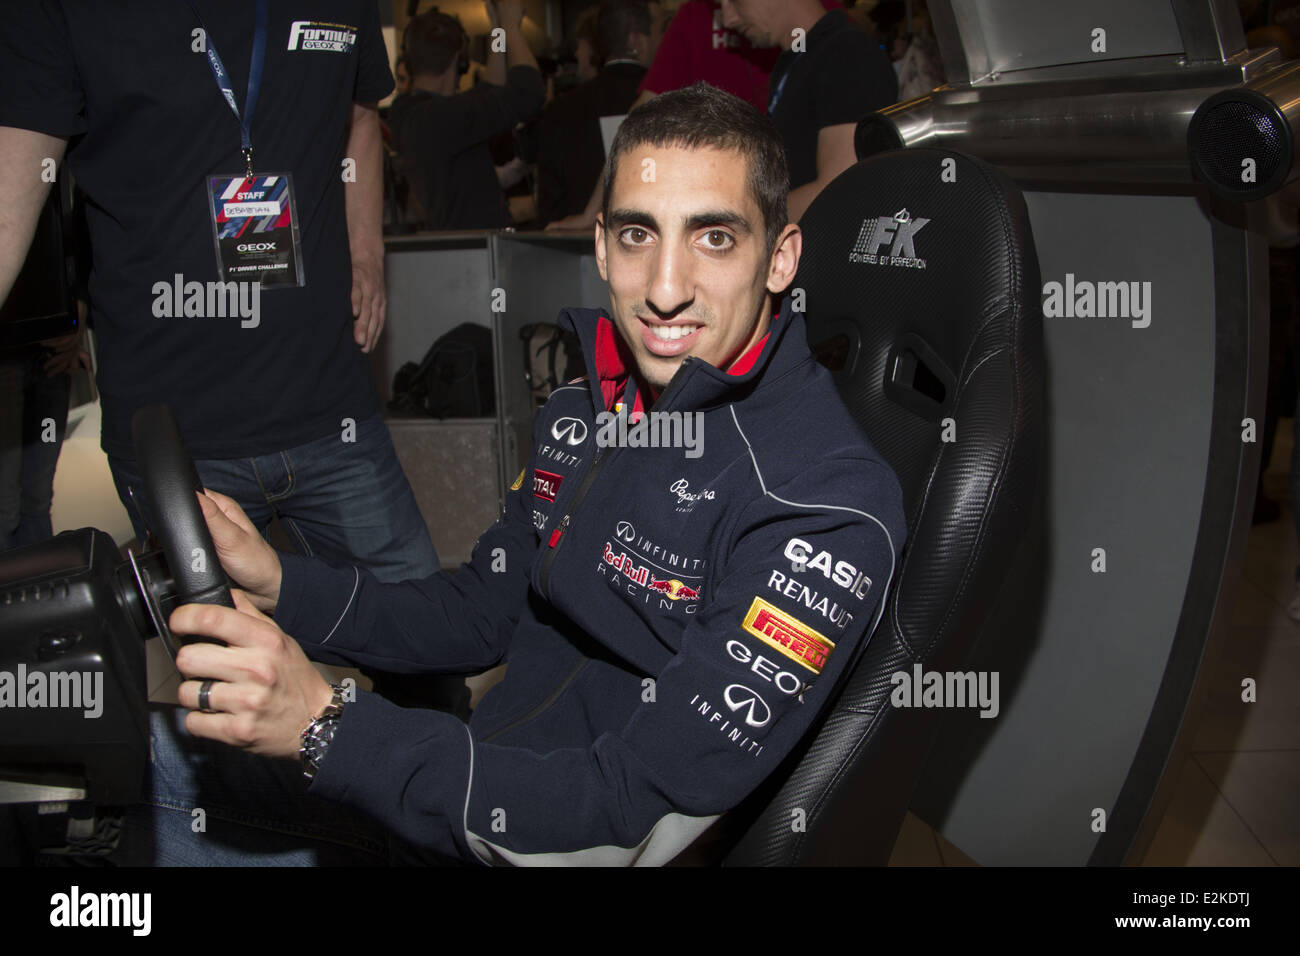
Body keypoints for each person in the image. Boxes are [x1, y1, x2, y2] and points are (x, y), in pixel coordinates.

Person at [12, 83, 906, 866]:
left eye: (714, 238)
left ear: (780, 258)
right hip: (481, 771)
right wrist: (284, 582)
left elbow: (626, 815)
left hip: (542, 835)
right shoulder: (586, 409)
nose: (664, 288)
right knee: (88, 758)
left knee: (113, 795)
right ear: (599, 247)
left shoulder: (822, 509)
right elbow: (485, 607)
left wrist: (327, 724)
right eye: (638, 235)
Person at [0, 0, 468, 715]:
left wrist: (368, 250)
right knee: (230, 703)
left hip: (333, 413)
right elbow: (13, 181)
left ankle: (432, 818)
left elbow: (360, 113)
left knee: (429, 660)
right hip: (177, 437)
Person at [545, 0, 851, 232]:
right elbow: (642, 117)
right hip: (759, 221)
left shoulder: (831, 43)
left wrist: (734, 222)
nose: (729, 18)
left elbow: (840, 186)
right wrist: (595, 208)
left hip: (786, 230)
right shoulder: (697, 17)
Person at [721, 0, 898, 222]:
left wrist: (743, 223)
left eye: (734, 2)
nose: (729, 19)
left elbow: (841, 189)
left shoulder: (846, 54)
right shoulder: (797, 58)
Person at [389, 1, 545, 229]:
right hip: (474, 253)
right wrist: (511, 28)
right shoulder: (441, 118)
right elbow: (529, 91)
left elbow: (491, 88)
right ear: (458, 61)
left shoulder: (406, 111)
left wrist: (498, 28)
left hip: (459, 248)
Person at [534, 0, 665, 226]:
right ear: (638, 42)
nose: (665, 44)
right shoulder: (668, 104)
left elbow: (548, 207)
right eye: (660, 34)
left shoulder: (559, 110)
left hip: (573, 250)